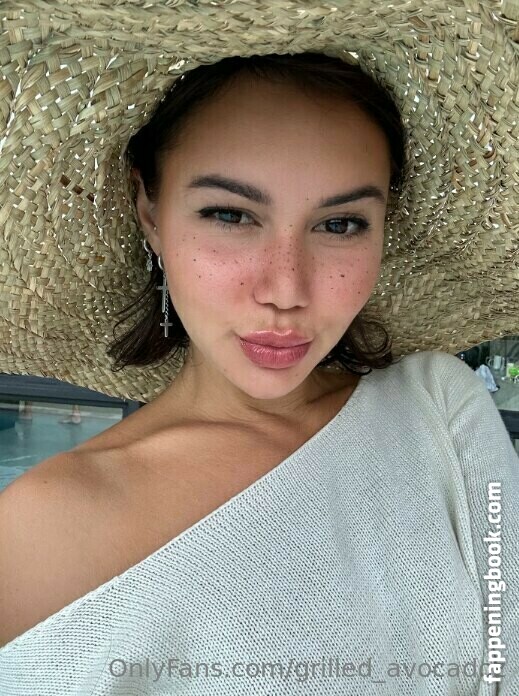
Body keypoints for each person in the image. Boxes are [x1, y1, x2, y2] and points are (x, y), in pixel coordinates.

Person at [0, 3, 518, 695]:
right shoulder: (41, 529)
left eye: (340, 224)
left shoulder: (437, 413)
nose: (286, 289)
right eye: (230, 214)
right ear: (149, 211)